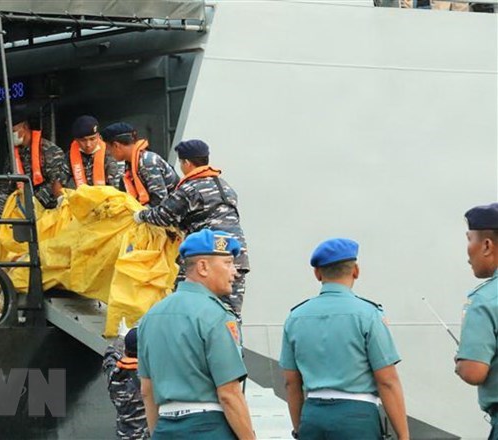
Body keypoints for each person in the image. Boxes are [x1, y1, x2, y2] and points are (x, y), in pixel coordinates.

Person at [279, 238, 409, 440]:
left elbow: (291, 383)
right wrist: (403, 435)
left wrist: (300, 429)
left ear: (317, 273)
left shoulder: (295, 317)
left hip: (312, 416)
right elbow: (387, 381)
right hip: (357, 417)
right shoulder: (368, 315)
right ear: (356, 271)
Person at [138, 229, 255, 439]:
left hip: (165, 427)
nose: (234, 272)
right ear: (203, 267)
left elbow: (147, 390)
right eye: (228, 263)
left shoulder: (151, 316)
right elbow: (229, 393)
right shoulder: (216, 315)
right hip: (209, 428)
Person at [133, 139, 250, 315]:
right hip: (236, 258)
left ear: (186, 162)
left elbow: (163, 215)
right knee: (230, 314)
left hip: (207, 258)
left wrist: (139, 216)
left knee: (184, 307)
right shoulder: (225, 186)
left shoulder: (190, 188)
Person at [455, 203, 498, 439]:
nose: (467, 251)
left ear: (487, 245)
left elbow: (474, 372)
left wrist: (461, 362)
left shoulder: (485, 300)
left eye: (469, 239)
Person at [0, 112, 67, 217]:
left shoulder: (49, 150)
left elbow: (58, 182)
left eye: (13, 131)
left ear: (25, 127)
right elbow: (5, 190)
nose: (10, 136)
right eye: (8, 133)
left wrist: (33, 202)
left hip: (49, 212)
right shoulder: (12, 157)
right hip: (23, 213)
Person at [100, 122, 178, 207]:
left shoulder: (147, 161)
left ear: (116, 145)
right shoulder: (130, 164)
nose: (108, 152)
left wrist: (137, 215)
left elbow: (159, 200)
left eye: (108, 148)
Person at [102, 320, 149, 440]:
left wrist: (121, 338)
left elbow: (109, 356)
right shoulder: (149, 377)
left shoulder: (114, 376)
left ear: (126, 351)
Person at [61, 115, 119, 189]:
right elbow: (59, 182)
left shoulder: (110, 153)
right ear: (76, 140)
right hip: (81, 197)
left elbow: (116, 186)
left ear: (98, 136)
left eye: (92, 139)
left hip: (106, 197)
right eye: (83, 140)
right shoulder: (69, 157)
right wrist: (61, 198)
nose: (88, 145)